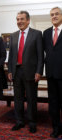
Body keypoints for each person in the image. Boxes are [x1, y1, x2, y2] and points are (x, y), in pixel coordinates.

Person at [8, 11, 44, 133]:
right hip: (16, 71)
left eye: (22, 19)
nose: (19, 21)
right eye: (17, 19)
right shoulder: (13, 35)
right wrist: (10, 70)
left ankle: (32, 122)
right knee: (17, 99)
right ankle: (19, 121)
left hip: (31, 72)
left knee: (31, 98)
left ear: (28, 20)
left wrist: (39, 71)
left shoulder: (37, 34)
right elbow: (12, 55)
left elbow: (40, 55)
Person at [43, 7, 62, 138]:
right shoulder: (46, 32)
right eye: (52, 15)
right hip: (51, 74)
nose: (54, 16)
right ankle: (56, 128)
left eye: (56, 14)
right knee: (53, 103)